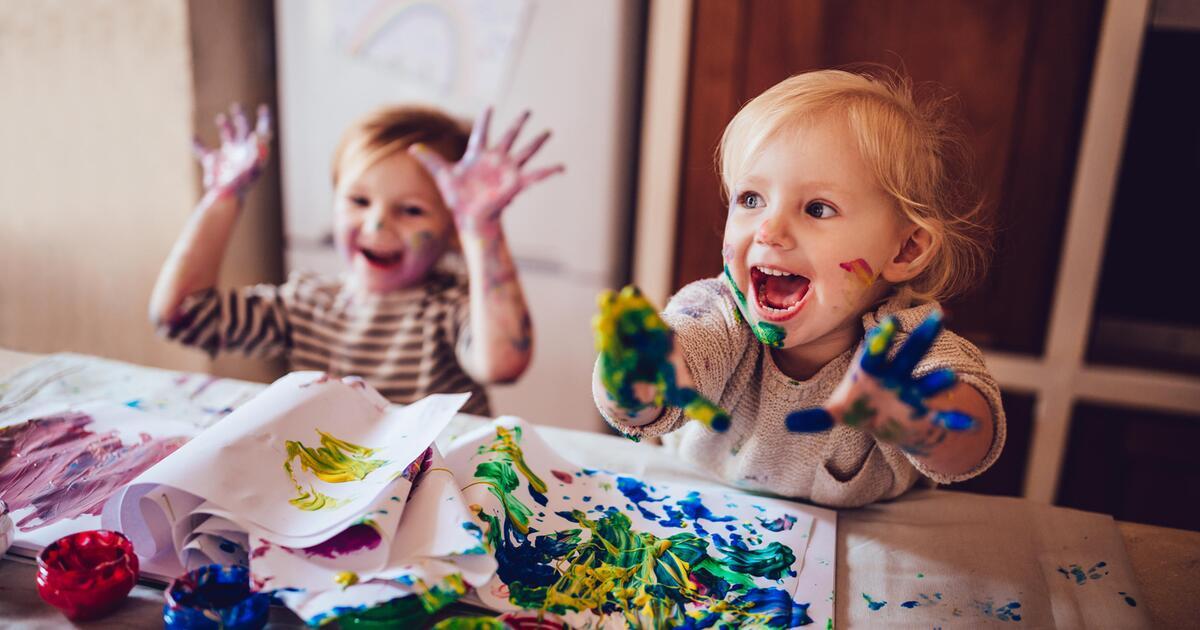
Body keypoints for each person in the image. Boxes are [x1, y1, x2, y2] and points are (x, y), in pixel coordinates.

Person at [592, 69, 1004, 507]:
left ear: (904, 250)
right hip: (695, 515)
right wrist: (631, 381)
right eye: (751, 199)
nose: (770, 230)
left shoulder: (901, 349)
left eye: (817, 208)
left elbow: (971, 446)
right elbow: (651, 394)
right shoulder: (719, 312)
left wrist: (919, 421)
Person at [151, 104, 560, 415]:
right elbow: (181, 316)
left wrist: (482, 228)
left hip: (438, 496)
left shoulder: (449, 311)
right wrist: (223, 199)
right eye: (359, 200)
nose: (377, 222)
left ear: (453, 229)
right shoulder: (306, 305)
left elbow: (504, 363)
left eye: (412, 210)